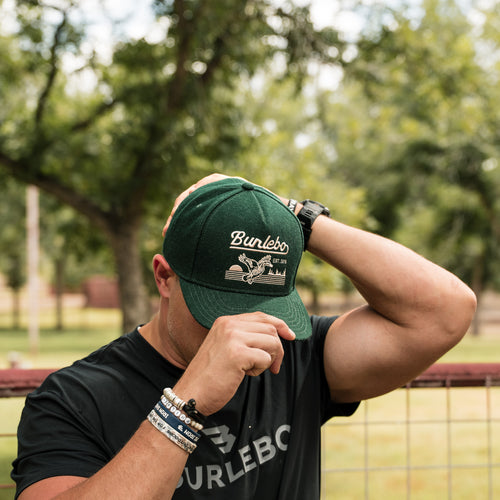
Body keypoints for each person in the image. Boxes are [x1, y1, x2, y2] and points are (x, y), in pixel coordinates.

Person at [12, 174, 476, 500]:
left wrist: (290, 215)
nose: (246, 327)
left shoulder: (293, 352)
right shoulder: (73, 398)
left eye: (264, 306)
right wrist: (185, 403)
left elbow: (445, 311)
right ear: (164, 278)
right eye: (219, 309)